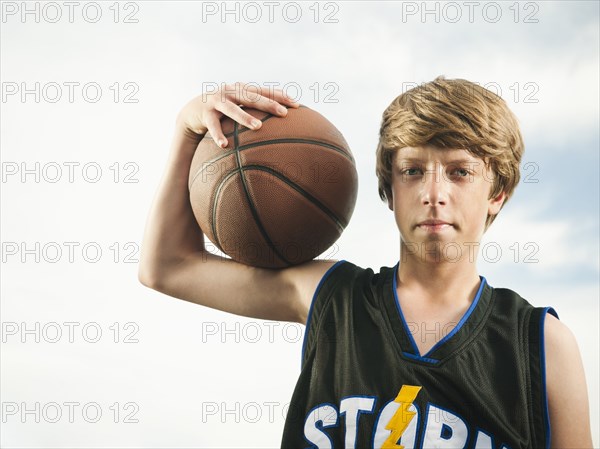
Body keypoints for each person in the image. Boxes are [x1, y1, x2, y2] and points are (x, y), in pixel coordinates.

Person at [138, 77, 593, 448]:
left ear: (496, 193)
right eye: (413, 171)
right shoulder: (331, 297)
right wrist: (187, 130)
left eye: (460, 172)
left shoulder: (541, 343)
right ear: (389, 189)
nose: (434, 193)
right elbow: (167, 266)